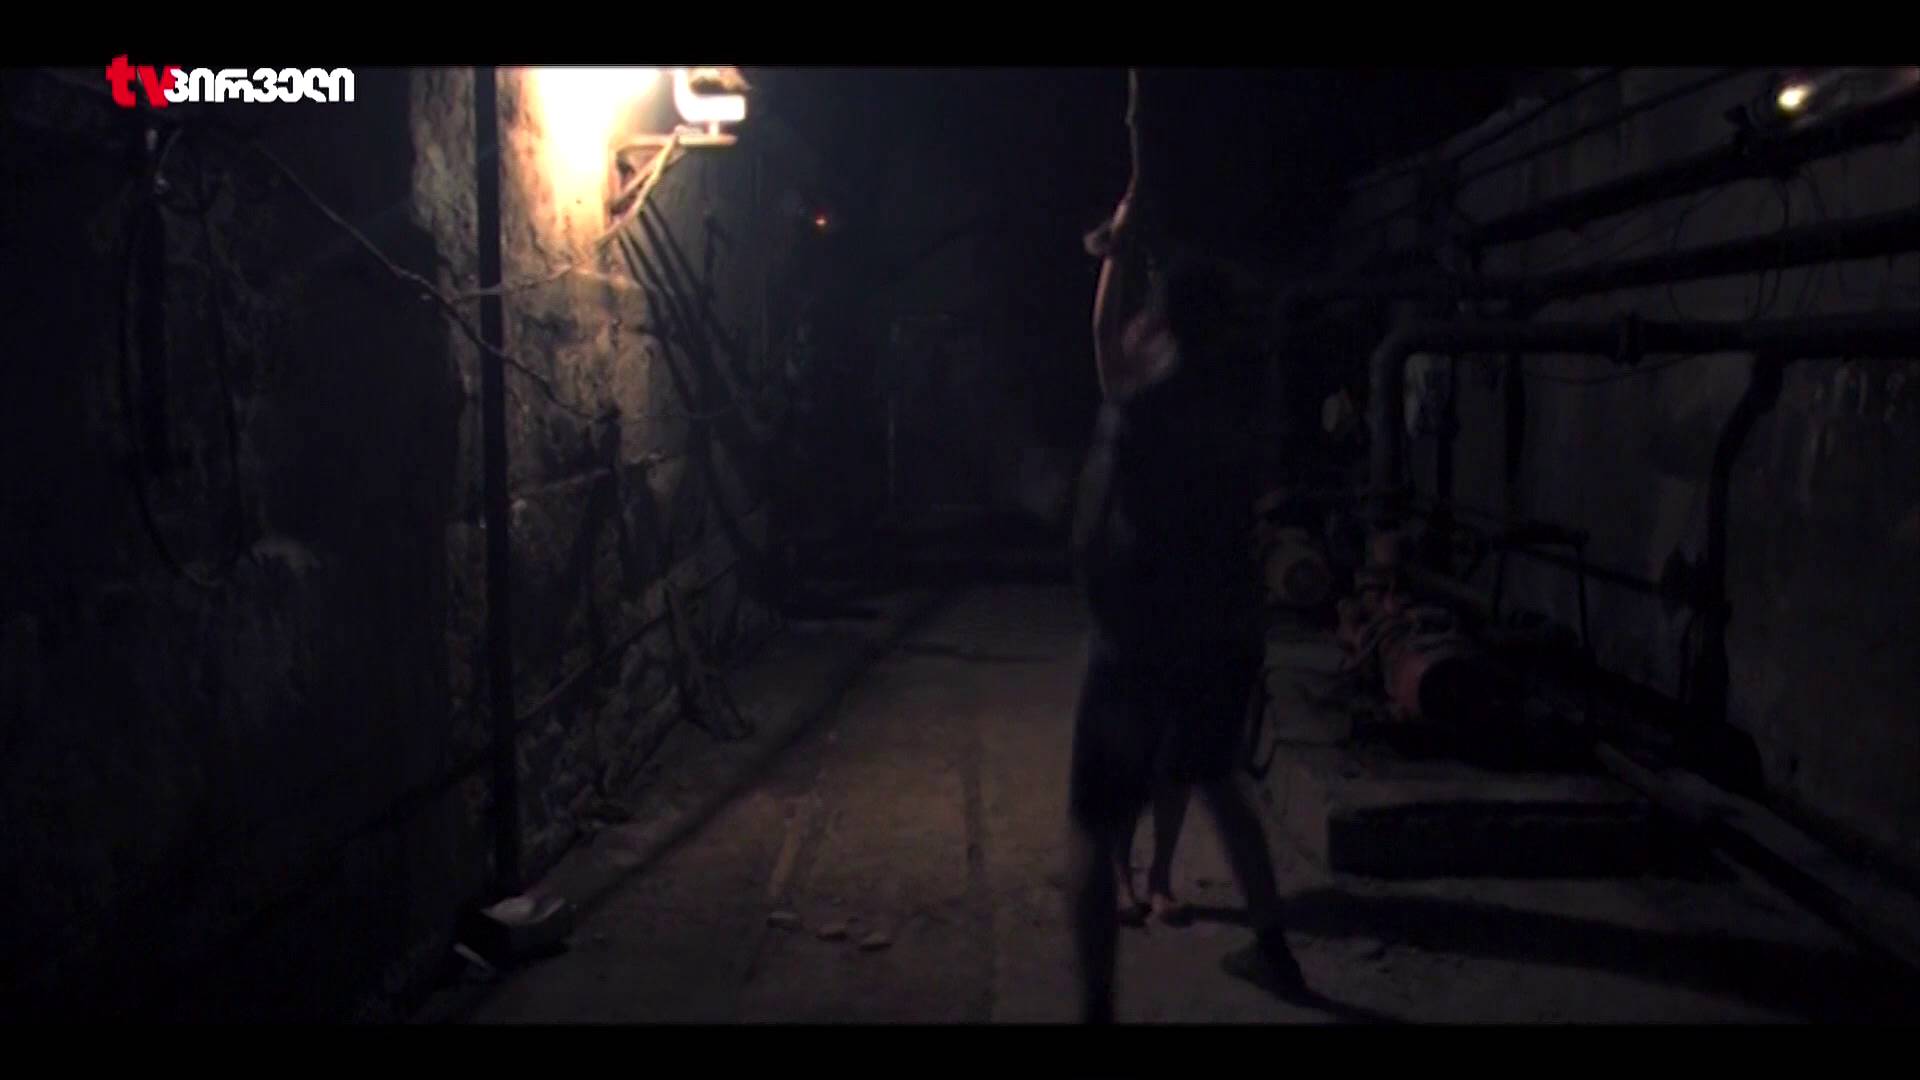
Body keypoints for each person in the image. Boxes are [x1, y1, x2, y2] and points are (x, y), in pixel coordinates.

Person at [1065, 128, 1307, 1024]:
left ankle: (1098, 1007)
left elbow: (1106, 331)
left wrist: (1118, 252)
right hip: (1221, 631)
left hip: (1140, 637)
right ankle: (1274, 948)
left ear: (1165, 321)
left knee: (1092, 829)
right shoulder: (1242, 406)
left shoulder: (1143, 394)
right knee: (1217, 781)